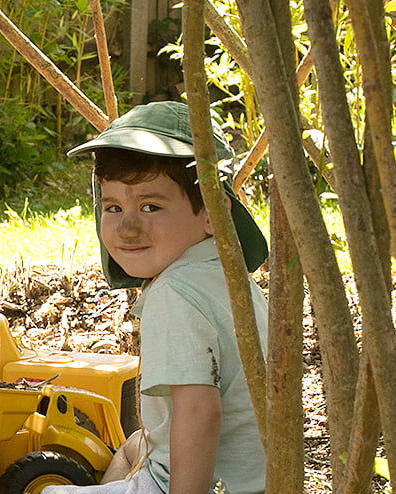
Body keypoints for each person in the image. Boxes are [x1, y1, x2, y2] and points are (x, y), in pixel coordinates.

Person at [46, 101, 270, 494]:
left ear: (212, 214)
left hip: (202, 485)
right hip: (255, 477)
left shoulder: (175, 295)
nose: (128, 228)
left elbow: (199, 412)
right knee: (136, 445)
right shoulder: (223, 276)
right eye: (113, 207)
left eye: (150, 206)